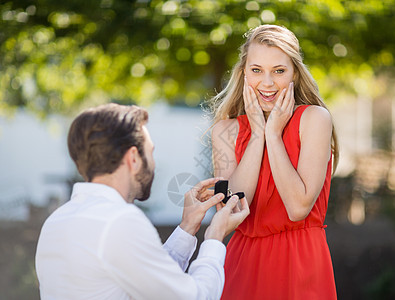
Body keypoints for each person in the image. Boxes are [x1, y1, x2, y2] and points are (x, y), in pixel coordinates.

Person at [35, 103, 250, 299]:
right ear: (134, 159)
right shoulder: (119, 220)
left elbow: (150, 280)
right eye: (150, 152)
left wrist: (187, 227)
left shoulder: (56, 221)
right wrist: (214, 237)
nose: (153, 163)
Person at [209, 25, 339, 299]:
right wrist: (257, 135)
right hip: (241, 264)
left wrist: (273, 135)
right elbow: (230, 211)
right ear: (245, 73)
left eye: (279, 71)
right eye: (257, 70)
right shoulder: (225, 130)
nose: (267, 83)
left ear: (294, 73)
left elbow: (298, 207)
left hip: (300, 262)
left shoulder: (314, 119)